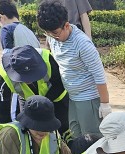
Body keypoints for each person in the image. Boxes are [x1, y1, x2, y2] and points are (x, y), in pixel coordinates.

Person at [37, 0, 109, 139]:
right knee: (75, 138)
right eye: (48, 34)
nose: (53, 37)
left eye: (56, 33)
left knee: (91, 141)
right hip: (71, 97)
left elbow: (100, 76)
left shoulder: (83, 45)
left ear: (66, 25)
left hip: (88, 99)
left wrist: (104, 104)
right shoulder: (53, 38)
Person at [0, 46, 69, 137]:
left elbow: (60, 85)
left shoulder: (48, 60)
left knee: (61, 128)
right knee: (28, 130)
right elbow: (2, 113)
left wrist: (42, 104)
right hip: (28, 101)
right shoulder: (3, 77)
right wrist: (0, 137)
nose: (28, 80)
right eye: (23, 78)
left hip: (56, 97)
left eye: (32, 76)